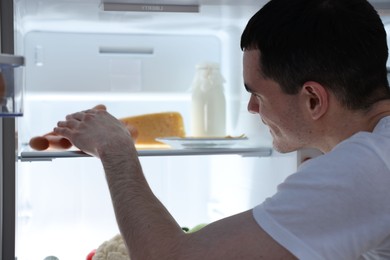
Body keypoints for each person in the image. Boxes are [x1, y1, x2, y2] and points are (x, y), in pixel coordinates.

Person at [54, 0, 390, 258]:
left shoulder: (366, 166)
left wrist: (115, 149)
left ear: (314, 100)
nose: (252, 108)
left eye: (257, 94)